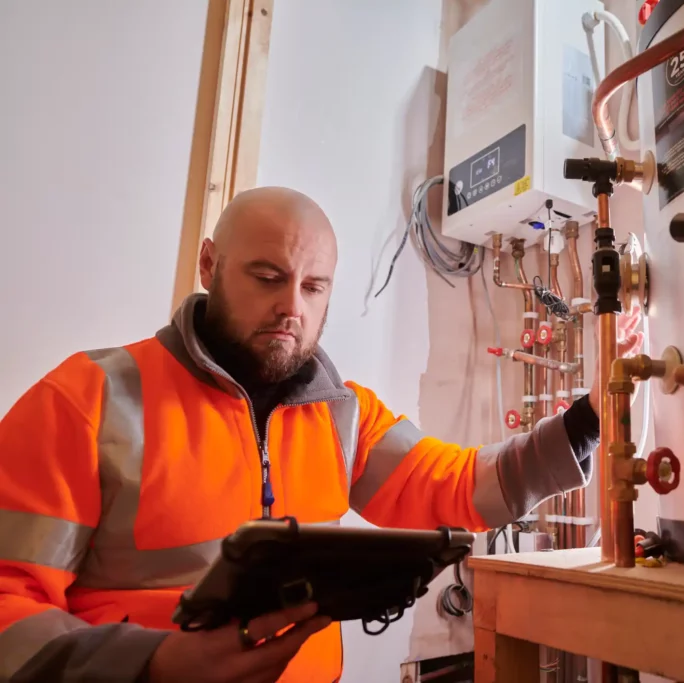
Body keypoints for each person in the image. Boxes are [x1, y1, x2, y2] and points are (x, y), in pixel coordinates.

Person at [0, 187, 643, 682]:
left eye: (313, 287)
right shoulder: (87, 399)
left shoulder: (343, 414)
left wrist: (589, 418)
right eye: (267, 277)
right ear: (208, 264)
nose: (292, 309)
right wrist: (153, 665)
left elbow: (461, 485)